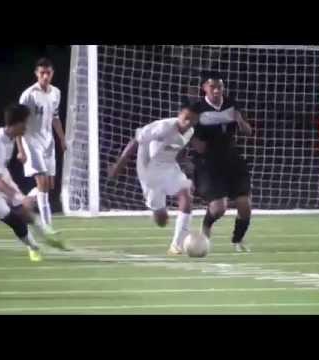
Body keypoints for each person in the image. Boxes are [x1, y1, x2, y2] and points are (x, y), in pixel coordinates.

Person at [0, 104, 64, 262]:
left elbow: (0, 173)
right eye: (25, 122)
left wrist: (19, 197)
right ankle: (34, 247)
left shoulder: (9, 136)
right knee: (15, 219)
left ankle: (48, 235)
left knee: (24, 211)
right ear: (16, 124)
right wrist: (20, 198)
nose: (27, 126)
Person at [108, 101, 200, 255]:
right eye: (186, 118)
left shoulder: (190, 132)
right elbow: (136, 141)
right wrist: (118, 167)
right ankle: (158, 209)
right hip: (149, 170)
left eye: (192, 120)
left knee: (186, 194)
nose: (188, 122)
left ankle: (176, 245)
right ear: (179, 115)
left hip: (169, 167)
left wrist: (185, 163)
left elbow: (176, 148)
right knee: (161, 220)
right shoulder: (163, 127)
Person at [191, 71, 253, 252]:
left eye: (220, 87)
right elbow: (187, 133)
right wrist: (196, 145)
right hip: (209, 163)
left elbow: (248, 132)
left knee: (245, 205)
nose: (217, 91)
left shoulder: (231, 104)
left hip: (232, 159)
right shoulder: (197, 109)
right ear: (204, 88)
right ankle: (206, 226)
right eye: (213, 87)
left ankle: (237, 241)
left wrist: (240, 121)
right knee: (219, 209)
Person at [16, 58, 67, 234]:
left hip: (48, 143)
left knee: (49, 185)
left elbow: (55, 117)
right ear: (37, 74)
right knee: (43, 183)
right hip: (32, 143)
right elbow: (17, 123)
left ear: (52, 73)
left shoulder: (56, 93)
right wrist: (21, 149)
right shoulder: (28, 95)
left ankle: (24, 203)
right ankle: (48, 227)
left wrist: (62, 138)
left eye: (48, 73)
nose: (45, 76)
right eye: (42, 73)